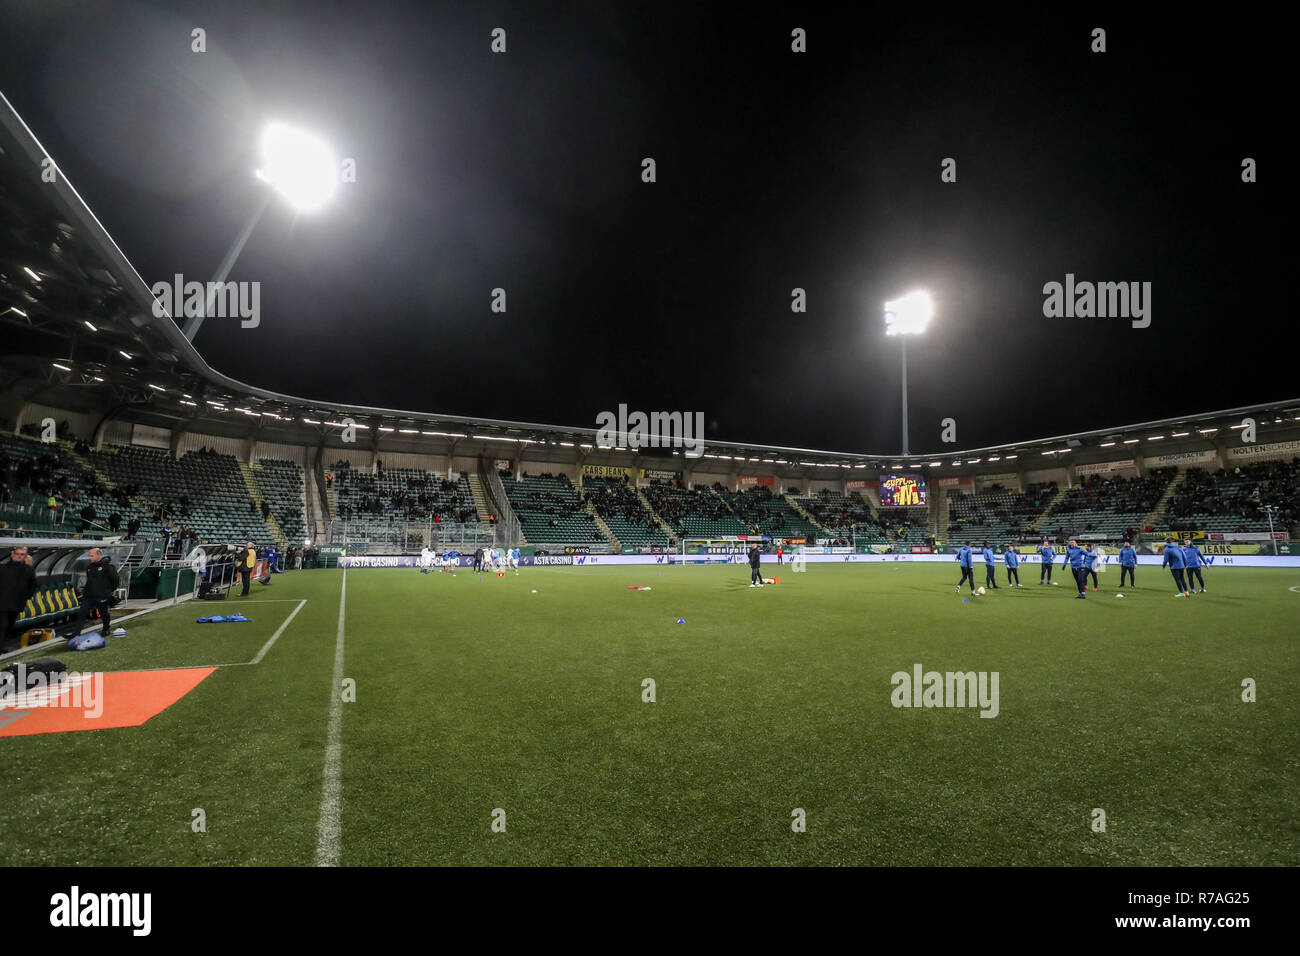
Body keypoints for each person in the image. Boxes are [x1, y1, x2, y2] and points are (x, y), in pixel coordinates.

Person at [73, 547, 119, 637]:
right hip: (88, 596)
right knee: (82, 613)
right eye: (89, 556)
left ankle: (106, 629)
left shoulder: (108, 567)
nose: (89, 558)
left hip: (102, 596)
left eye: (91, 556)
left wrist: (108, 592)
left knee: (104, 613)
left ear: (99, 555)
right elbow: (89, 582)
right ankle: (76, 634)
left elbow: (115, 580)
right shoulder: (89, 567)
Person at [0, 545, 38, 652]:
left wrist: (26, 597)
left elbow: (33, 585)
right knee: (3, 625)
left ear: (25, 556)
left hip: (17, 603)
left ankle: (1, 645)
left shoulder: (29, 570)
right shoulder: (2, 568)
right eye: (17, 554)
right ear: (12, 555)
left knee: (9, 626)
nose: (19, 556)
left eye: (22, 554)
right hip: (2, 603)